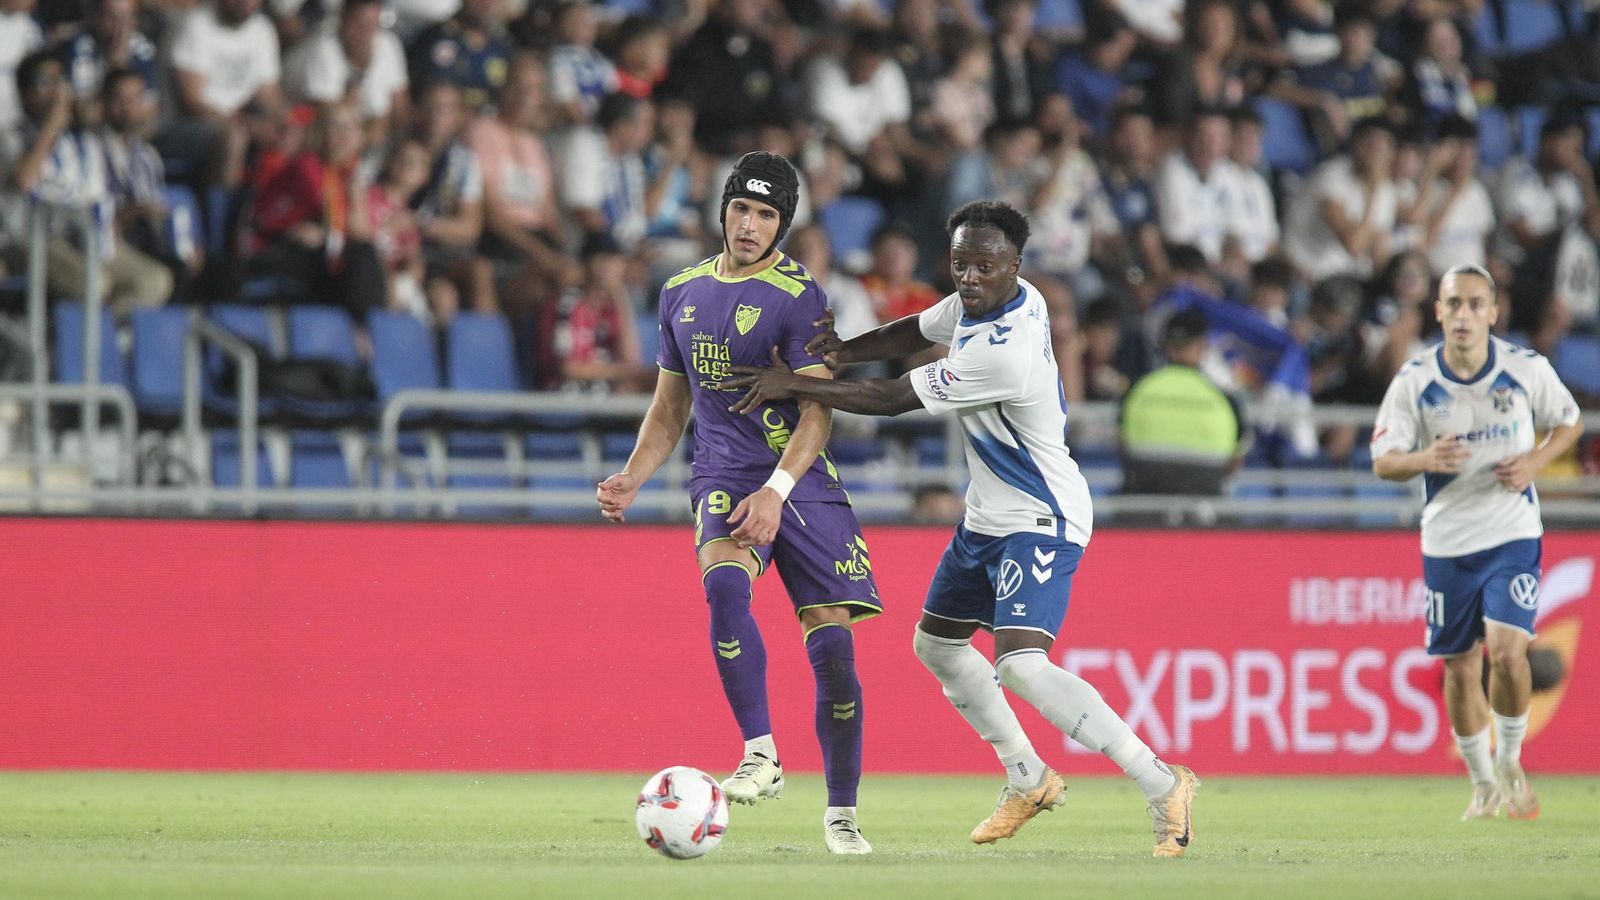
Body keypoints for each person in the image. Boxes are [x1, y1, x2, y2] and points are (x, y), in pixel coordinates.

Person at [724, 200, 1199, 858]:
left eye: (983, 266)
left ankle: (1161, 783)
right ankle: (1026, 777)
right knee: (938, 647)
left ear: (1015, 267)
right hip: (987, 517)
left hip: (1043, 515)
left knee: (1023, 665)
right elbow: (915, 328)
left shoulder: (1003, 352)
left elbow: (892, 398)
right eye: (959, 264)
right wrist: (843, 350)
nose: (969, 277)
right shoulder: (988, 300)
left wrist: (793, 383)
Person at [596, 152, 878, 855]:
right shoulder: (680, 292)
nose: (750, 226)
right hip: (722, 467)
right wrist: (633, 474)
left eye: (767, 215)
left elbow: (820, 411)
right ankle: (762, 755)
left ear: (783, 225)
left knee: (834, 651)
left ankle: (841, 815)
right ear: (723, 209)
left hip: (798, 475)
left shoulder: (798, 294)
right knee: (725, 590)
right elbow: (669, 407)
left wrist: (778, 493)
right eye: (742, 210)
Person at [1371, 264, 1583, 821]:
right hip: (1447, 540)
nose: (1463, 315)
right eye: (1453, 305)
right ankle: (1482, 780)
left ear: (1493, 313)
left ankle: (1511, 759)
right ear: (1438, 312)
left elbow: (1570, 421)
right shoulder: (1415, 381)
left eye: (1474, 304)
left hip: (1512, 531)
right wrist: (1423, 459)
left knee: (1510, 654)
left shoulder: (1524, 369)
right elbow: (1382, 460)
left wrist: (1536, 461)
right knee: (1460, 667)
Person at [1120, 307, 1245, 495]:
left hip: (1145, 499)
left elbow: (1122, 446)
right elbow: (1235, 460)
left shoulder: (1137, 389)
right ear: (1202, 346)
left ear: (1165, 345)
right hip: (1206, 503)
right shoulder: (1224, 397)